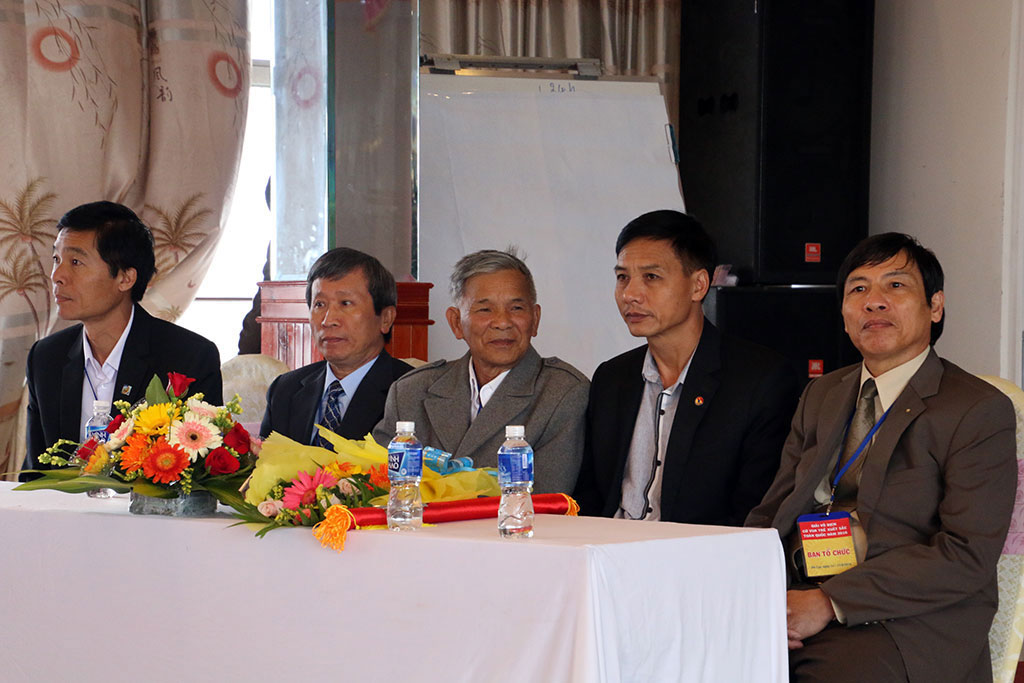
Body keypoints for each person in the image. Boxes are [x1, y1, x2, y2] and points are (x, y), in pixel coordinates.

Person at [746, 233, 1016, 682]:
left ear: (935, 306)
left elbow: (967, 554)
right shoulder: (822, 393)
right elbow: (774, 509)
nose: (873, 301)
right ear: (844, 315)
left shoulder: (976, 409)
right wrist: (745, 593)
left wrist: (830, 602)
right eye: (858, 289)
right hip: (799, 595)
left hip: (905, 621)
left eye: (895, 285)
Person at [573, 210, 798, 524]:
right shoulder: (612, 378)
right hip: (607, 547)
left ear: (698, 285)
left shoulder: (759, 380)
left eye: (651, 277)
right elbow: (589, 496)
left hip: (700, 551)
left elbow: (754, 511)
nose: (630, 294)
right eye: (623, 277)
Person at [24, 200, 222, 474]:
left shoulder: (189, 358)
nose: (57, 276)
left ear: (126, 278)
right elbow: (35, 474)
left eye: (76, 262)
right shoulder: (46, 358)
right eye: (56, 259)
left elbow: (201, 475)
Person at [373, 248, 589, 494]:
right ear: (456, 322)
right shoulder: (411, 391)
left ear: (535, 319)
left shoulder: (562, 394)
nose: (503, 322)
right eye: (485, 310)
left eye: (516, 308)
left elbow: (545, 501)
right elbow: (374, 487)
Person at [260, 247, 413, 444]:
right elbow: (265, 461)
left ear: (386, 318)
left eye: (345, 303)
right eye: (319, 304)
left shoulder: (411, 394)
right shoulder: (285, 390)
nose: (328, 320)